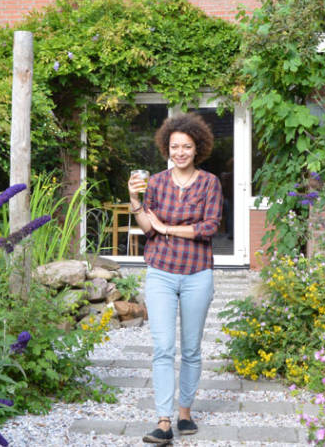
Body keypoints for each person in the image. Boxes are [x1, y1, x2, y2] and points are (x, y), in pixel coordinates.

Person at [128, 112, 223, 444]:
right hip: (161, 273)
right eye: (174, 146)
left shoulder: (210, 182)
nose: (180, 152)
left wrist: (168, 228)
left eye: (186, 146)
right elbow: (146, 227)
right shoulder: (155, 181)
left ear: (197, 148)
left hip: (198, 273)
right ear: (167, 149)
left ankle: (185, 411)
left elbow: (209, 228)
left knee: (192, 349)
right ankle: (164, 420)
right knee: (163, 348)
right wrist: (135, 201)